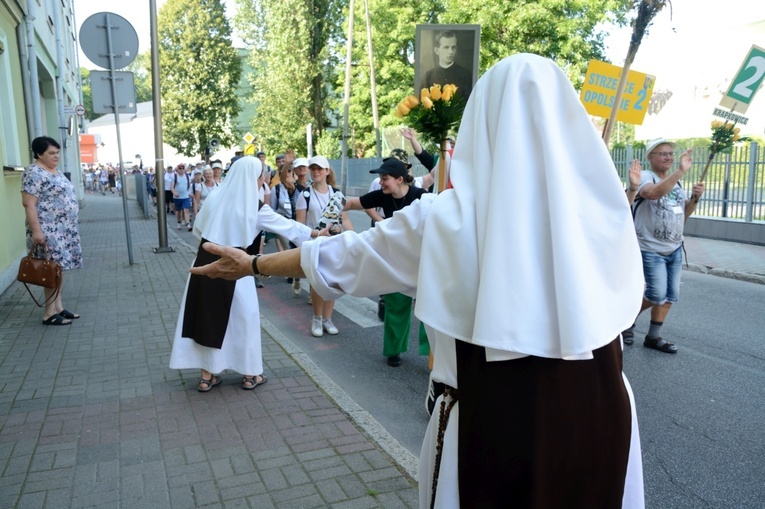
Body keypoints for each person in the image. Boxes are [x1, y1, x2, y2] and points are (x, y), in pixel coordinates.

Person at [190, 54, 646, 508]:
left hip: (494, 426)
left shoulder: (443, 221)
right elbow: (633, 299)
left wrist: (253, 266)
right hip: (602, 412)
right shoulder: (605, 215)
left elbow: (342, 258)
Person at [170, 156, 326, 391]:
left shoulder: (214, 198)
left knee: (205, 316)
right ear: (254, 178)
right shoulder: (254, 207)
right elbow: (289, 227)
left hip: (204, 265)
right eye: (261, 174)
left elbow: (199, 229)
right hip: (236, 267)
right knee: (243, 321)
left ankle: (206, 376)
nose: (263, 178)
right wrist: (316, 234)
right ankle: (250, 374)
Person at [621, 139, 704, 353]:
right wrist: (680, 172)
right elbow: (652, 193)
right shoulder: (646, 177)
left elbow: (683, 214)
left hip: (674, 247)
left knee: (670, 295)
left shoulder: (676, 183)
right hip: (649, 247)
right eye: (662, 153)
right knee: (656, 294)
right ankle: (624, 321)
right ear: (650, 157)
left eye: (670, 153)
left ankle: (653, 337)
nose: (668, 157)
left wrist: (694, 198)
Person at [345, 158, 429, 366]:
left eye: (385, 178)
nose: (380, 182)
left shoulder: (421, 197)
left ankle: (433, 354)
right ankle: (394, 350)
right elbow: (354, 203)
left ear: (400, 179)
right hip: (397, 261)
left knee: (429, 308)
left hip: (422, 261)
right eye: (381, 178)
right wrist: (331, 201)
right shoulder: (382, 196)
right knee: (396, 305)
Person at [21, 136, 84, 325]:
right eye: (51, 153)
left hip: (64, 231)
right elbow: (28, 204)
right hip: (48, 230)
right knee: (49, 270)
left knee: (57, 270)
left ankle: (59, 307)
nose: (56, 156)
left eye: (57, 152)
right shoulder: (34, 172)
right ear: (39, 154)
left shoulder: (53, 170)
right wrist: (36, 231)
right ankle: (49, 312)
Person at [295, 155, 353, 337]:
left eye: (319, 168)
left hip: (334, 245)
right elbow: (300, 225)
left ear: (327, 171)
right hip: (315, 245)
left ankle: (328, 319)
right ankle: (317, 318)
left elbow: (345, 219)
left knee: (333, 282)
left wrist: (354, 237)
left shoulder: (337, 195)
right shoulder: (304, 195)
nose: (315, 172)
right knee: (319, 284)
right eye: (313, 168)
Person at [423, 30, 473, 100]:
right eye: (446, 47)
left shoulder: (465, 75)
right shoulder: (428, 76)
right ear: (437, 50)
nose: (450, 52)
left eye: (453, 47)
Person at [171, 163, 193, 231]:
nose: (181, 170)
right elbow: (171, 187)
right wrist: (174, 192)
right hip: (177, 197)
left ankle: (188, 224)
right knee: (179, 211)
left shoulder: (187, 176)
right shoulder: (174, 176)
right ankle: (179, 222)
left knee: (186, 210)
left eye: (183, 168)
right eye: (180, 168)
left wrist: (189, 193)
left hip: (185, 196)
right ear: (177, 169)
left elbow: (189, 186)